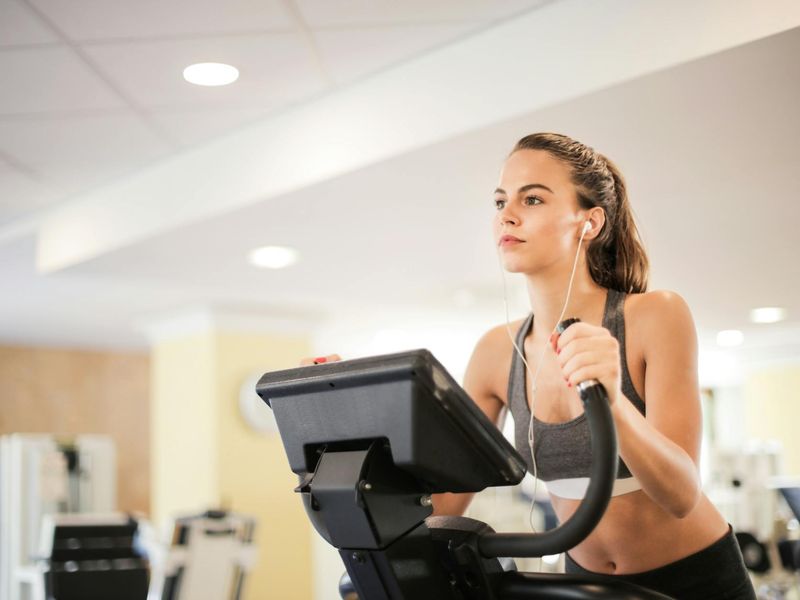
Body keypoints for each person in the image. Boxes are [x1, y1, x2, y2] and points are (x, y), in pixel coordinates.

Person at [302, 133, 755, 599]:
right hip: (585, 583)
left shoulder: (654, 316)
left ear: (589, 222)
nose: (507, 214)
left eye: (532, 198)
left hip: (697, 579)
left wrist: (612, 399)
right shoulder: (497, 352)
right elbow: (442, 505)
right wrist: (353, 420)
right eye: (500, 201)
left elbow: (681, 495)